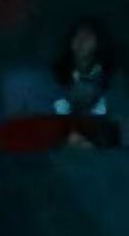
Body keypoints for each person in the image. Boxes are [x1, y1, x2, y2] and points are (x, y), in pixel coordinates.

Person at [51, 16, 120, 145]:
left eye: (88, 37)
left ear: (98, 43)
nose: (81, 42)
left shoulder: (111, 76)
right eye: (77, 36)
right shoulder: (56, 74)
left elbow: (114, 115)